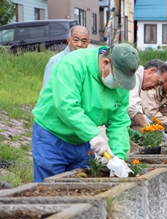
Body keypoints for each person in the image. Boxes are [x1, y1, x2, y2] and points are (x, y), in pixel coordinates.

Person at [32, 43, 140, 182]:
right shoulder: (73, 65)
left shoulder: (122, 85)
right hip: (52, 136)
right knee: (50, 188)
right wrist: (92, 134)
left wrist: (118, 156)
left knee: (81, 186)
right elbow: (67, 106)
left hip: (82, 140)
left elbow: (119, 121)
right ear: (105, 63)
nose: (119, 85)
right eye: (117, 79)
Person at [40, 25, 90, 94]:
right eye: (76, 40)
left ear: (88, 43)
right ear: (69, 41)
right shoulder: (56, 61)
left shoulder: (89, 62)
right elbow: (46, 91)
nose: (80, 44)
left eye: (84, 41)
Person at [128, 59, 167, 132]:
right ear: (151, 71)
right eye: (158, 83)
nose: (155, 87)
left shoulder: (139, 80)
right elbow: (132, 107)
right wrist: (147, 127)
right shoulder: (135, 75)